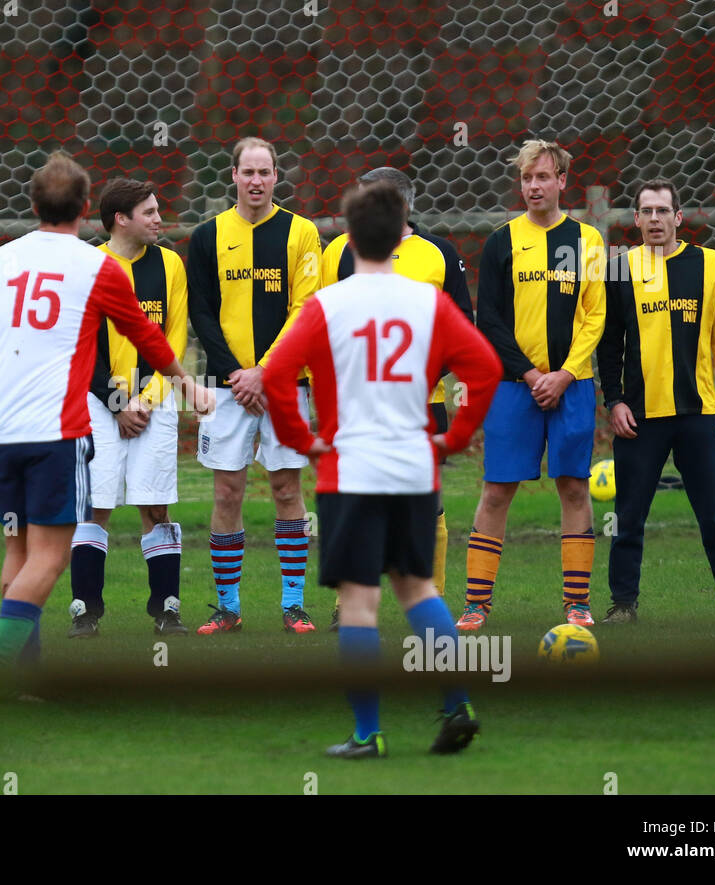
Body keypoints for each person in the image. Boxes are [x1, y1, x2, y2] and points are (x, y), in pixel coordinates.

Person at [264, 181, 501, 757]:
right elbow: (486, 369)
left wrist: (304, 441)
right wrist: (454, 439)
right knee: (418, 588)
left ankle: (369, 733)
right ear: (402, 235)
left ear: (346, 238)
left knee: (358, 603)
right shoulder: (431, 303)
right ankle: (458, 700)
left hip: (351, 472)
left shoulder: (328, 305)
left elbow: (275, 376)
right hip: (414, 469)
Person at [0, 152, 212, 673]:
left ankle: (23, 669)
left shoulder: (4, 257)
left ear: (33, 202)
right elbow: (146, 334)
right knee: (50, 555)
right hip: (55, 426)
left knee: (17, 550)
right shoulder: (94, 264)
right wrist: (189, 384)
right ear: (88, 207)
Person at [596, 179, 715, 627]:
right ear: (635, 219)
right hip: (640, 416)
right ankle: (623, 605)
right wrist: (614, 401)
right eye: (646, 211)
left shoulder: (710, 265)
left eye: (662, 211)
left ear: (678, 218)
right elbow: (608, 347)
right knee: (628, 517)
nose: (654, 219)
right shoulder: (620, 268)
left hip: (699, 413)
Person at [457, 140, 606, 632]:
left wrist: (564, 373)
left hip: (573, 385)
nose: (534, 187)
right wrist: (531, 374)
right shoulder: (502, 240)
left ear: (563, 181)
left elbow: (595, 314)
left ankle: (577, 604)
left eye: (543, 177)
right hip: (514, 387)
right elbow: (490, 319)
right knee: (497, 490)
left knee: (573, 486)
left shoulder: (587, 241)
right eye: (527, 179)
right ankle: (476, 604)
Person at [320, 166, 474, 629]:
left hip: (420, 407)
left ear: (402, 207)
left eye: (372, 202)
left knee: (430, 505)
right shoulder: (337, 253)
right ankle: (347, 604)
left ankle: (434, 596)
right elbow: (323, 329)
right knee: (358, 502)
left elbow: (466, 334)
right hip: (357, 408)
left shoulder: (438, 254)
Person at [187, 136, 323, 635]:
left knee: (288, 488)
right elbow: (201, 311)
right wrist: (237, 375)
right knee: (227, 492)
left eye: (265, 172)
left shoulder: (302, 233)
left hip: (285, 384)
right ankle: (228, 608)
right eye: (248, 172)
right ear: (234, 176)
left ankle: (293, 604)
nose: (257, 181)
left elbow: (305, 310)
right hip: (227, 388)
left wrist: (266, 371)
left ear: (276, 176)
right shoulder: (206, 236)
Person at [66, 179, 190, 638]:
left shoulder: (171, 265)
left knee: (155, 506)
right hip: (99, 403)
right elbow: (81, 347)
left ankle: (167, 609)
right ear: (122, 218)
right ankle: (85, 610)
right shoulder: (88, 266)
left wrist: (147, 398)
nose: (160, 219)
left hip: (154, 401)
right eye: (151, 212)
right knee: (95, 506)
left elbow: (173, 340)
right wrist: (118, 402)